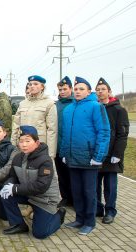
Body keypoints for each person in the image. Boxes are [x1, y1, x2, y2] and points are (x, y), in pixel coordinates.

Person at [60, 76, 110, 235]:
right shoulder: (68, 109)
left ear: (89, 91)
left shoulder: (96, 107)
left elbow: (104, 132)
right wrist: (64, 153)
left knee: (89, 192)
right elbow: (64, 134)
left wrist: (98, 156)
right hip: (72, 158)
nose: (78, 91)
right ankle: (79, 219)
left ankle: (89, 222)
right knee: (76, 191)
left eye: (81, 89)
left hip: (89, 158)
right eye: (76, 89)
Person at [0, 125, 65, 239]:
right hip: (29, 195)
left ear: (37, 142)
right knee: (5, 194)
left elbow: (41, 186)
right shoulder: (17, 158)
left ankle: (59, 215)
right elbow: (12, 176)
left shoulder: (45, 160)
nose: (24, 145)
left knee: (40, 234)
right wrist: (7, 186)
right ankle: (19, 225)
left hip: (44, 199)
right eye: (21, 141)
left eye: (27, 141)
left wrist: (14, 188)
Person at [11, 75, 58, 218]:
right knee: (25, 176)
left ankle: (49, 206)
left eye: (35, 84)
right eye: (30, 84)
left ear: (42, 86)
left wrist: (51, 152)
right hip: (24, 146)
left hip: (40, 148)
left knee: (43, 178)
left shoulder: (49, 104)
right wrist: (14, 143)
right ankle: (30, 206)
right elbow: (16, 125)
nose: (32, 86)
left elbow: (52, 129)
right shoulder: (23, 104)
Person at [95, 77, 129, 224]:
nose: (100, 92)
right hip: (97, 154)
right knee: (95, 184)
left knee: (110, 186)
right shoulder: (95, 108)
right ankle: (97, 208)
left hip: (111, 154)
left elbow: (122, 134)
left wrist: (118, 154)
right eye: (97, 90)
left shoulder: (119, 110)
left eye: (103, 89)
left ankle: (110, 211)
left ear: (109, 91)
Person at [55, 76, 74, 207]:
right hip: (57, 145)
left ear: (71, 89)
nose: (62, 92)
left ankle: (74, 198)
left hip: (71, 146)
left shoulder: (75, 103)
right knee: (61, 175)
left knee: (72, 175)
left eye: (65, 89)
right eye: (60, 89)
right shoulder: (56, 105)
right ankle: (65, 197)